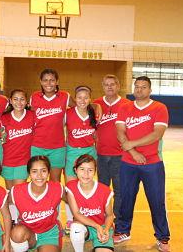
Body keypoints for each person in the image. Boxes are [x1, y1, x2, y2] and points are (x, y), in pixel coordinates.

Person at [114, 76, 171, 252]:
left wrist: (132, 144)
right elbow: (120, 132)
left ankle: (162, 237)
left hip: (153, 163)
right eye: (136, 87)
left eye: (143, 87)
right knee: (125, 198)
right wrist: (133, 151)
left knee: (156, 201)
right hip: (128, 162)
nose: (139, 90)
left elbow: (157, 134)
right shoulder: (124, 107)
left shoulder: (159, 108)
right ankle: (123, 230)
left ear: (150, 90)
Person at [93, 74, 130, 227]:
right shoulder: (96, 104)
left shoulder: (127, 104)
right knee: (102, 188)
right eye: (106, 84)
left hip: (120, 155)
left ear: (118, 86)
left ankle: (117, 220)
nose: (109, 87)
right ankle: (102, 217)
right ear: (102, 86)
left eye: (113, 84)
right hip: (101, 155)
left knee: (120, 189)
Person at [9, 156, 63, 252]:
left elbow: (76, 199)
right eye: (34, 171)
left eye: (43, 171)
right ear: (29, 173)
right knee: (17, 233)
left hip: (49, 233)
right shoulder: (17, 191)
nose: (39, 176)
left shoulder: (57, 188)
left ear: (48, 172)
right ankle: (23, 248)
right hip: (28, 232)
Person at [64, 85, 97, 232]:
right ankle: (71, 220)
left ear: (90, 99)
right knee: (71, 189)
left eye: (85, 97)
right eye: (79, 97)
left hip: (90, 152)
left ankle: (85, 218)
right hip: (72, 152)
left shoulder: (95, 112)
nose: (82, 100)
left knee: (85, 187)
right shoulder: (68, 113)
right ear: (74, 99)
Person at [66, 154, 114, 252]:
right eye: (82, 169)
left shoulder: (105, 190)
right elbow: (76, 214)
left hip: (102, 226)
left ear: (95, 171)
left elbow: (110, 215)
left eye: (90, 170)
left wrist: (106, 230)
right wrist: (97, 226)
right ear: (76, 170)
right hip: (84, 225)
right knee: (76, 229)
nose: (86, 174)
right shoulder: (71, 187)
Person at [29, 69, 70, 183]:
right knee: (38, 180)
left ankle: (53, 202)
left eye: (52, 80)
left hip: (57, 147)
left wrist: (96, 106)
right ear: (41, 82)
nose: (48, 83)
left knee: (55, 181)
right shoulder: (34, 97)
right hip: (37, 145)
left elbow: (81, 105)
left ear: (57, 81)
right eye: (45, 80)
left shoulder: (65, 97)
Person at [0, 89, 35, 224]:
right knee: (10, 192)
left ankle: (21, 220)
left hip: (24, 160)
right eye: (15, 99)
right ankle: (14, 220)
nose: (19, 102)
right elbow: (1, 139)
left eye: (22, 99)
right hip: (7, 160)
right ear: (10, 100)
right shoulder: (4, 118)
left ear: (26, 102)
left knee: (18, 193)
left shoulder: (32, 116)